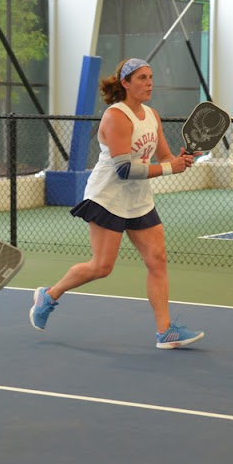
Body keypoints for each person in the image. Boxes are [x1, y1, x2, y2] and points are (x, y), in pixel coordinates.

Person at [29, 57, 205, 349]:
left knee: (157, 260)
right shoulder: (116, 117)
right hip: (107, 198)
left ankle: (165, 332)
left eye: (151, 77)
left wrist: (177, 160)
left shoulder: (152, 115)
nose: (149, 83)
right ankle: (49, 295)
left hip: (139, 200)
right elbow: (124, 169)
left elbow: (163, 157)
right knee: (101, 267)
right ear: (125, 83)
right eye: (142, 78)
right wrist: (167, 169)